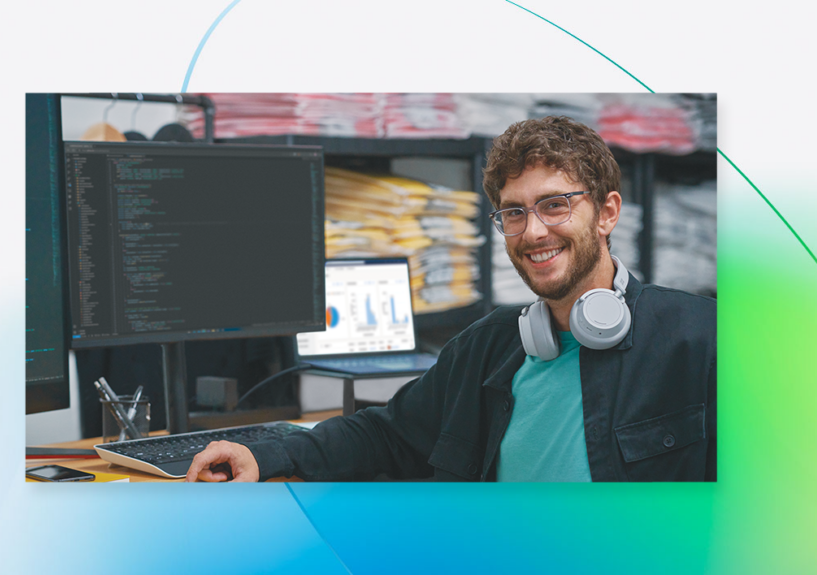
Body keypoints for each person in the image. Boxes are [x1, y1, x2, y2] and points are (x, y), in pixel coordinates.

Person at [186, 116, 716, 483]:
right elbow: (385, 433)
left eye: (555, 205)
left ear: (606, 213)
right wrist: (264, 452)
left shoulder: (702, 341)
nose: (533, 232)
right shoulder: (488, 350)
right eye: (513, 212)